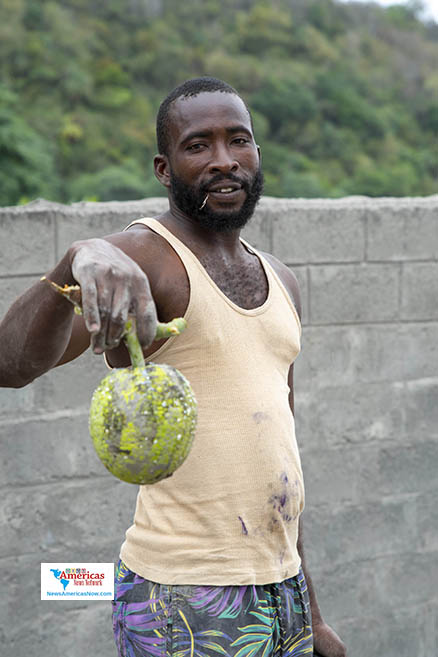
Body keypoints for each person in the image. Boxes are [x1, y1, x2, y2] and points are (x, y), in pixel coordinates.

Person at [0, 77, 346, 657]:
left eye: (238, 140)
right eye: (198, 145)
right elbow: (9, 365)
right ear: (164, 170)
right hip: (183, 596)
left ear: (257, 153)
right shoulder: (144, 260)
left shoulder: (282, 279)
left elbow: (278, 455)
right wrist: (74, 260)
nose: (223, 160)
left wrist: (309, 609)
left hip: (280, 589)